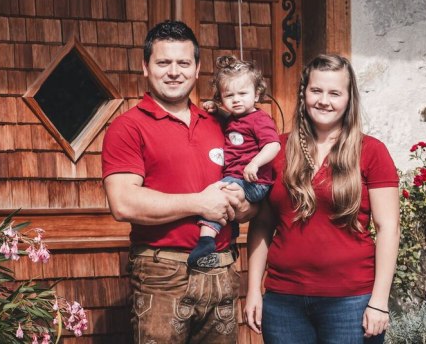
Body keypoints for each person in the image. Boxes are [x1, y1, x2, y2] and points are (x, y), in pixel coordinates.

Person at [101, 20, 257, 344]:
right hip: (163, 276)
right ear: (146, 67)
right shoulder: (128, 127)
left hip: (223, 271)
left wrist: (244, 205)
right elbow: (123, 202)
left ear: (197, 69)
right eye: (163, 62)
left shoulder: (220, 123)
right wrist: (200, 203)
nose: (174, 72)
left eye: (183, 63)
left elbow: (252, 191)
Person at [244, 54, 401, 344]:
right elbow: (262, 224)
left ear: (349, 99)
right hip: (284, 301)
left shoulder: (371, 151)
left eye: (334, 93)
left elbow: (388, 227)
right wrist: (253, 289)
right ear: (303, 93)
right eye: (316, 90)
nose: (324, 101)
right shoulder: (275, 150)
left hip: (351, 302)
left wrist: (379, 301)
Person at [188, 55, 281, 267]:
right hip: (237, 177)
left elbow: (273, 145)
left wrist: (255, 163)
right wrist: (217, 109)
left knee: (218, 195)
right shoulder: (234, 118)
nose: (236, 99)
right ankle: (230, 237)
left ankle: (205, 240)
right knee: (227, 197)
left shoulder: (260, 120)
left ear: (257, 94)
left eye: (242, 93)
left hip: (254, 181)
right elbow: (231, 122)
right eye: (229, 95)